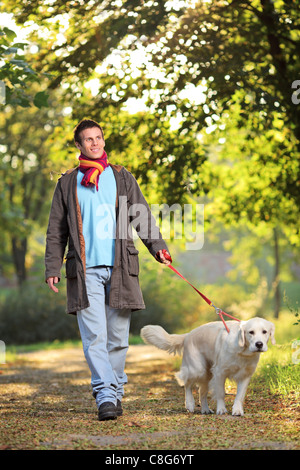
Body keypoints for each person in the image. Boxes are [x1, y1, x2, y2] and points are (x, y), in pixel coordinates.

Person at [45, 119, 171, 421]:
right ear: (79, 145)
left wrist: (158, 247)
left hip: (121, 268)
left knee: (118, 338)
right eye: (88, 139)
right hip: (84, 271)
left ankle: (115, 393)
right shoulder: (67, 183)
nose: (94, 143)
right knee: (95, 338)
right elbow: (56, 230)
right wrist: (52, 265)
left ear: (103, 141)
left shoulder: (121, 177)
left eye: (98, 138)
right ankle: (105, 396)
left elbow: (142, 214)